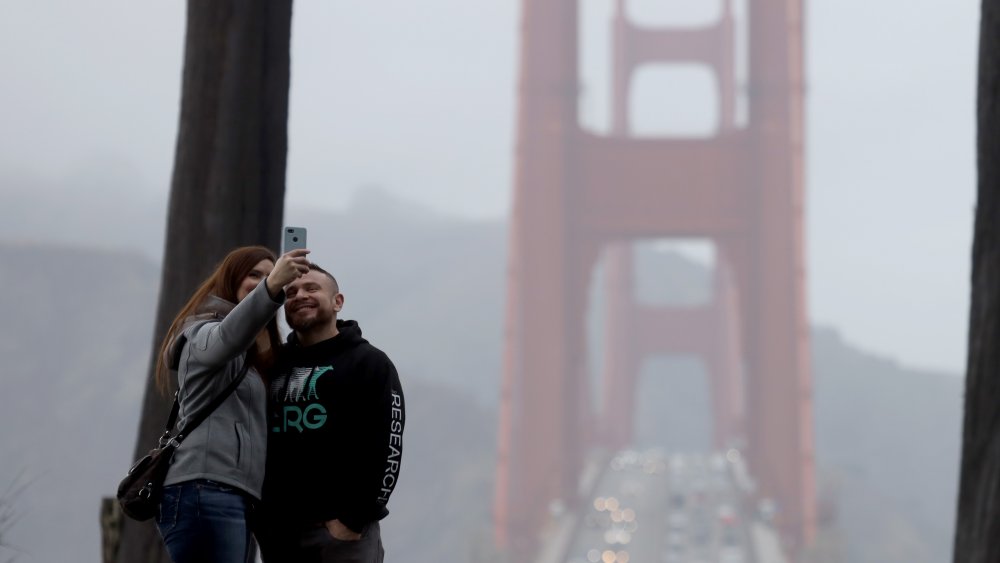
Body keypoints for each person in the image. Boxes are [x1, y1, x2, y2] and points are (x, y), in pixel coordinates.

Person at [154, 245, 311, 563]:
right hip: (203, 488)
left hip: (232, 494)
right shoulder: (199, 332)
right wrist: (270, 289)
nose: (263, 281)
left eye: (268, 276)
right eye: (253, 275)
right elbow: (227, 337)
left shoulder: (251, 351)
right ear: (230, 279)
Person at [256, 263, 405, 563]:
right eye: (291, 292)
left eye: (312, 289)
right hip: (278, 533)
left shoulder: (369, 362)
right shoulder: (274, 364)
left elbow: (388, 445)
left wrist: (353, 520)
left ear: (338, 302)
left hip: (341, 535)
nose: (300, 296)